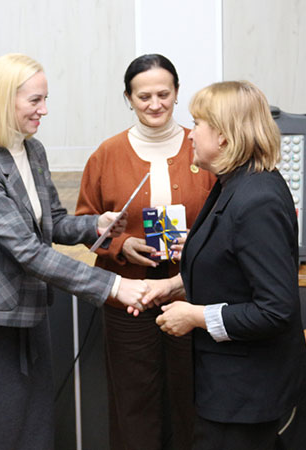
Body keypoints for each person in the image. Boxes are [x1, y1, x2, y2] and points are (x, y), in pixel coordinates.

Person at [0, 53, 149, 450]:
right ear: (3, 102)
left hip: (29, 312)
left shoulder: (32, 151)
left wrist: (95, 225)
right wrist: (113, 286)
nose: (45, 110)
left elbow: (51, 221)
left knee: (33, 427)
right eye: (35, 100)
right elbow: (28, 251)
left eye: (45, 99)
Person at [142, 81, 306, 450]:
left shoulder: (257, 200)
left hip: (246, 391)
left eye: (197, 124)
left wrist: (194, 316)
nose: (190, 134)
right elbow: (228, 265)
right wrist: (171, 286)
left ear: (223, 135)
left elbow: (274, 310)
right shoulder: (233, 184)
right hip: (229, 385)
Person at [75, 54, 216, 450]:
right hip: (128, 296)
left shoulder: (203, 148)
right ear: (128, 98)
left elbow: (225, 219)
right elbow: (85, 223)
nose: (155, 104)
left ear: (177, 93)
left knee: (191, 398)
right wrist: (122, 244)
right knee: (133, 401)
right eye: (144, 96)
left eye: (163, 94)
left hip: (190, 293)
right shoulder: (107, 154)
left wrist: (197, 244)